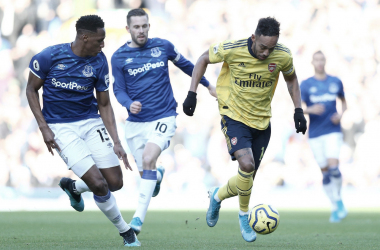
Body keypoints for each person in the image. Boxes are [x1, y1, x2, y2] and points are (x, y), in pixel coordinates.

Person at [183, 17, 307, 242]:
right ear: (253, 38)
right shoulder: (232, 48)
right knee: (247, 165)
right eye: (262, 47)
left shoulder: (283, 55)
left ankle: (217, 197)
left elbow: (291, 80)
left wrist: (298, 110)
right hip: (234, 116)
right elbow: (202, 58)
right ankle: (243, 216)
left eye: (271, 48)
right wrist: (192, 93)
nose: (266, 53)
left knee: (246, 178)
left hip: (262, 122)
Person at [26, 15, 140, 247]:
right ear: (84, 37)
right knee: (99, 185)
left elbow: (105, 104)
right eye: (99, 40)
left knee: (115, 183)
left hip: (90, 122)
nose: (103, 45)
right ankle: (126, 232)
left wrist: (117, 142)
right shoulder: (49, 57)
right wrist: (44, 127)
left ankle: (73, 186)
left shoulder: (99, 61)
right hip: (60, 127)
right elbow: (30, 90)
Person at [112, 8, 216, 236]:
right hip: (135, 123)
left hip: (164, 116)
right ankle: (157, 176)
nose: (141, 30)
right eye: (136, 27)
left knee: (149, 158)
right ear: (128, 29)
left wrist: (207, 85)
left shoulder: (163, 47)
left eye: (144, 26)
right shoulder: (119, 57)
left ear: (149, 26)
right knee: (146, 172)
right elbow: (118, 88)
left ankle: (137, 220)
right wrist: (128, 103)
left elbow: (188, 65)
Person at [300, 51, 347, 223]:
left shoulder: (335, 81)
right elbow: (298, 108)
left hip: (333, 130)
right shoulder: (306, 85)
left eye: (322, 59)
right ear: (312, 62)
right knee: (325, 173)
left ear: (325, 61)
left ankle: (339, 200)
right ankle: (335, 206)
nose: (319, 63)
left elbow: (344, 102)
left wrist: (340, 115)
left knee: (334, 168)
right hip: (315, 133)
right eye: (316, 60)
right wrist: (310, 110)